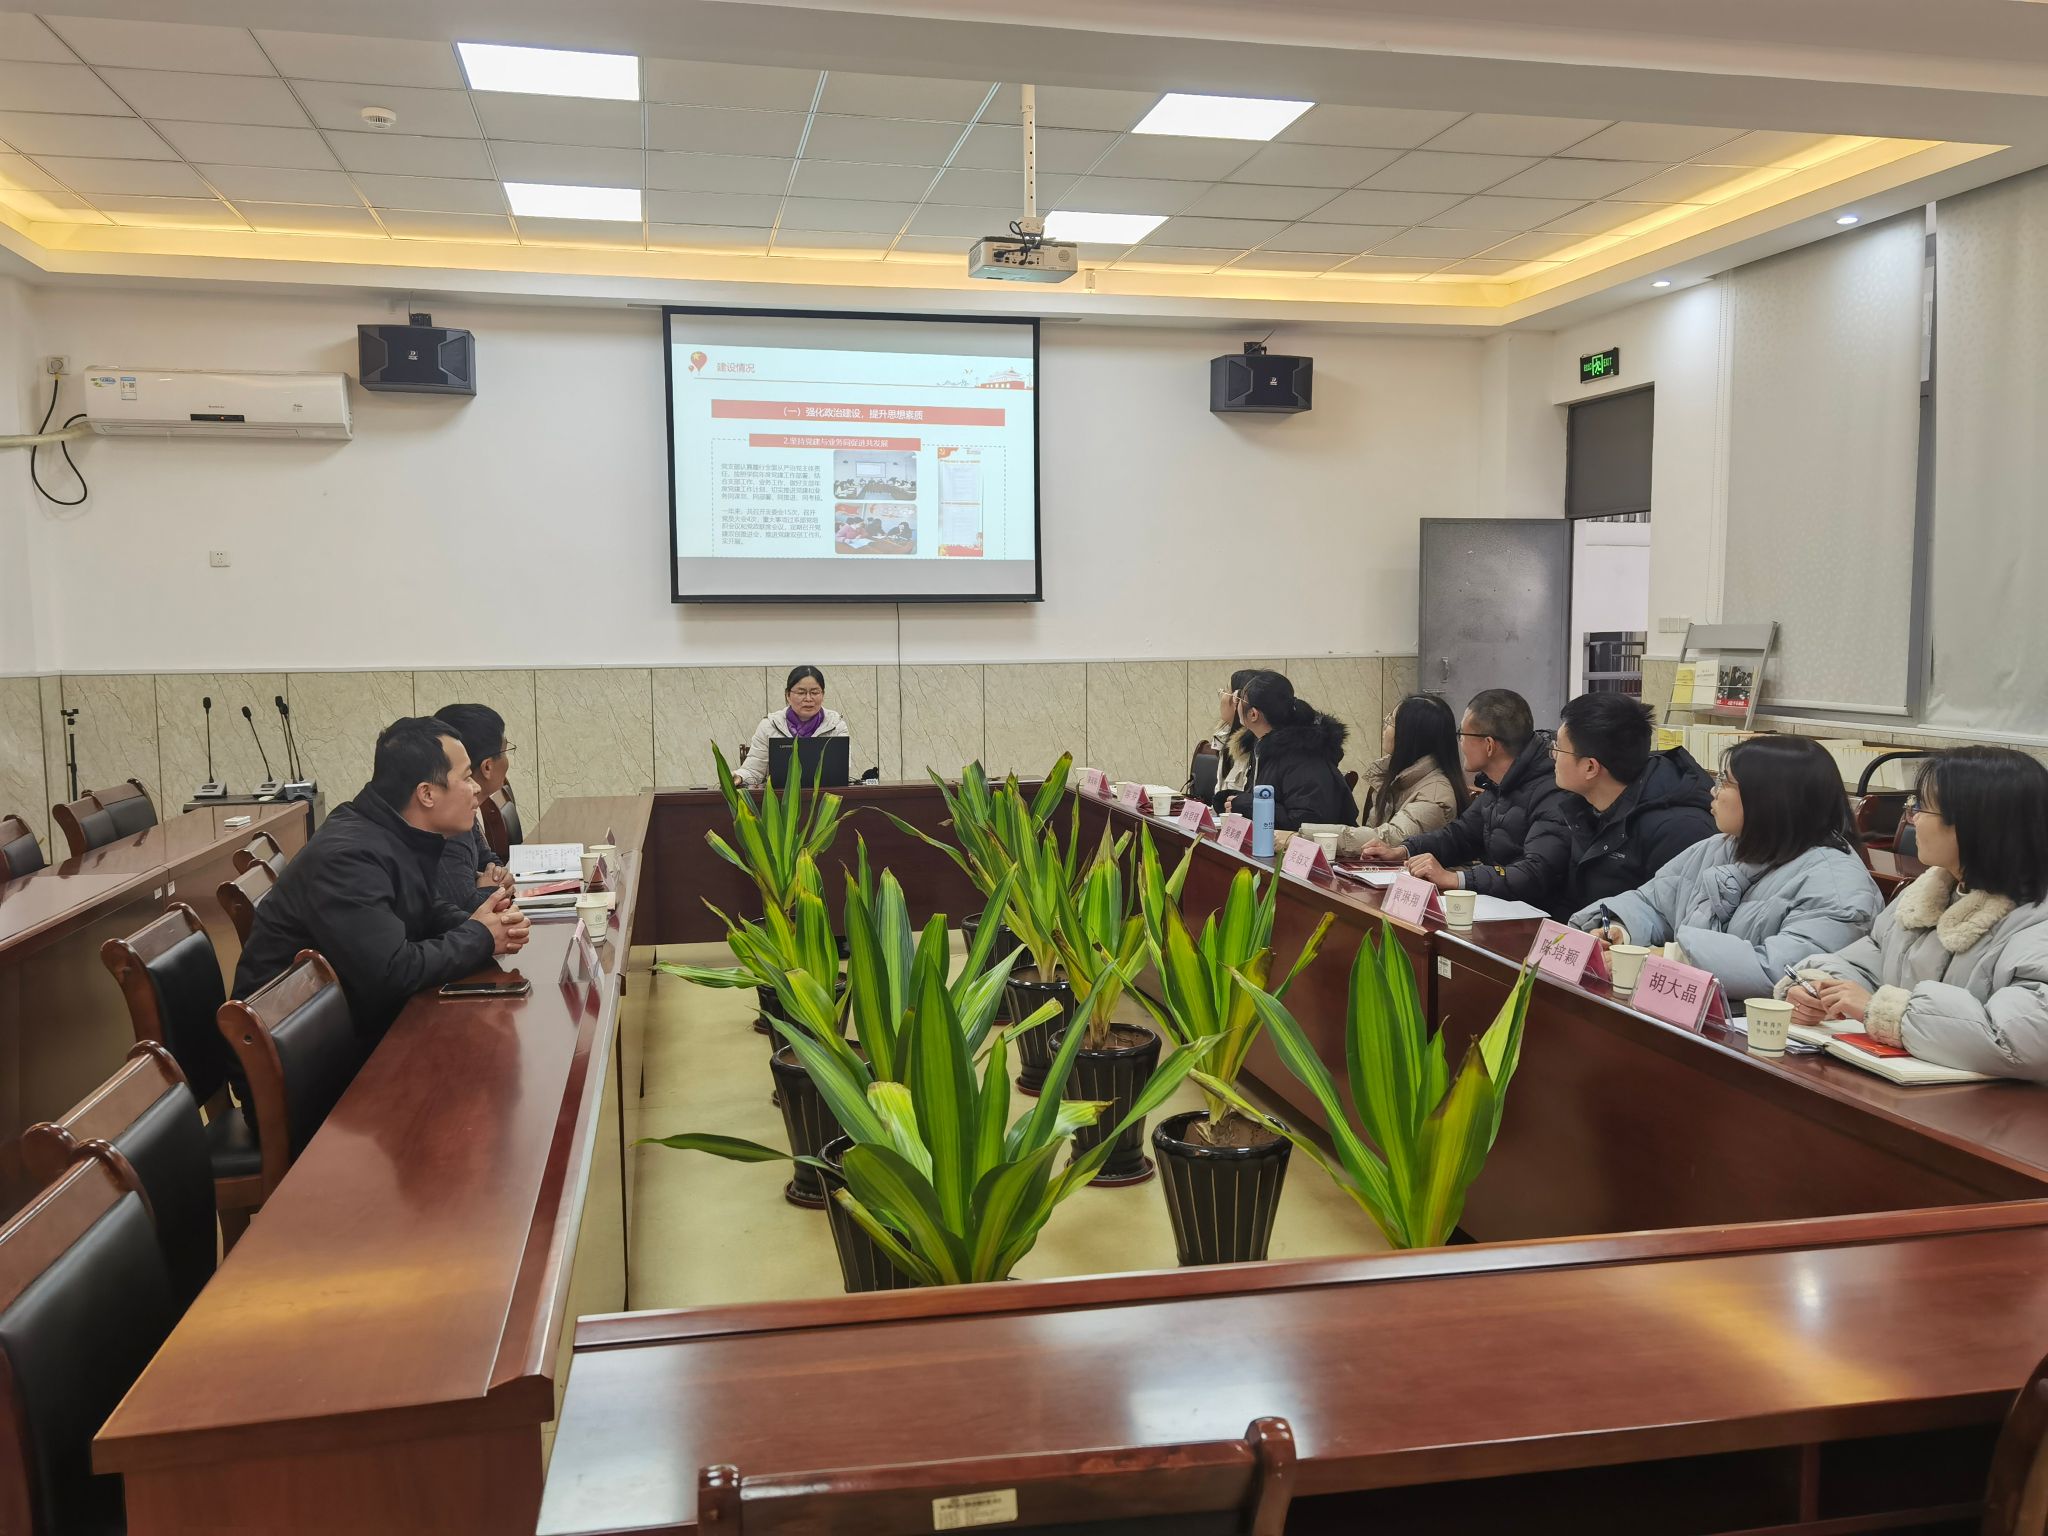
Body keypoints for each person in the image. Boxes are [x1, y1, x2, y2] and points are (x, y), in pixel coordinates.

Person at [232, 716, 531, 1052]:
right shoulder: (349, 858)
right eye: (465, 777)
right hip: (309, 1058)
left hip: (356, 1024)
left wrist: (484, 924)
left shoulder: (392, 830)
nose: (476, 787)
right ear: (427, 793)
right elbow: (391, 972)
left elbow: (422, 908)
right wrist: (480, 936)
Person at [1779, 747, 2048, 1081]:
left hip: (1998, 1107)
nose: (1911, 818)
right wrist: (1819, 989)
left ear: (1974, 823)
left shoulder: (2036, 921)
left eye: (1920, 807)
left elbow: (2020, 1039)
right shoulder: (1930, 892)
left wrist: (1886, 1012)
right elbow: (1870, 959)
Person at [1571, 734, 1883, 1002]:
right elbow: (1654, 903)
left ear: (1769, 798)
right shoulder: (1720, 846)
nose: (1713, 791)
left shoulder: (1836, 883)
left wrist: (1676, 959)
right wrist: (1621, 930)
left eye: (1725, 782)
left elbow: (1784, 971)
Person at [1358, 687, 1576, 913]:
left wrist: (1457, 879)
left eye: (1462, 734)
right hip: (1500, 909)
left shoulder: (1552, 793)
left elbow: (1535, 873)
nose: (1459, 742)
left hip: (1537, 919)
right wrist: (1404, 850)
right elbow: (1460, 836)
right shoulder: (1499, 784)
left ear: (1489, 745)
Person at [1550, 692, 1716, 915]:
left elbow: (1675, 921)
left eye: (1558, 748)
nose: (1552, 755)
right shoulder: (1584, 807)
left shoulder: (1679, 829)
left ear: (1590, 767)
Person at [1223, 670, 1356, 831]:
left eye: (1240, 699)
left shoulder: (1303, 757)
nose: (1236, 703)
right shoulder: (1264, 747)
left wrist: (1249, 806)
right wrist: (1235, 801)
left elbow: (1308, 822)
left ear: (1253, 714)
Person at [1338, 693, 1466, 852]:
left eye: (1391, 721)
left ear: (1411, 735)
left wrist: (1313, 835)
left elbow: (1387, 840)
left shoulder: (1436, 797)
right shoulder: (1398, 776)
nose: (1384, 725)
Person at [432, 702, 514, 911]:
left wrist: (497, 876)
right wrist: (492, 890)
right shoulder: (449, 826)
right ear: (487, 766)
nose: (474, 787)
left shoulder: (465, 808)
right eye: (506, 750)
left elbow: (489, 861)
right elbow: (464, 909)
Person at [736, 665, 851, 787]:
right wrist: (739, 776)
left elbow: (840, 771)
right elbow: (753, 771)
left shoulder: (836, 725)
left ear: (822, 694)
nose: (808, 699)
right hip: (780, 798)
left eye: (815, 692)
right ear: (788, 695)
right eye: (801, 692)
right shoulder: (769, 725)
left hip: (826, 796)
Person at [1189, 668, 1258, 808]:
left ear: (1238, 701)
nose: (1222, 697)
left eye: (1226, 691)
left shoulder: (1255, 748)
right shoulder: (1224, 739)